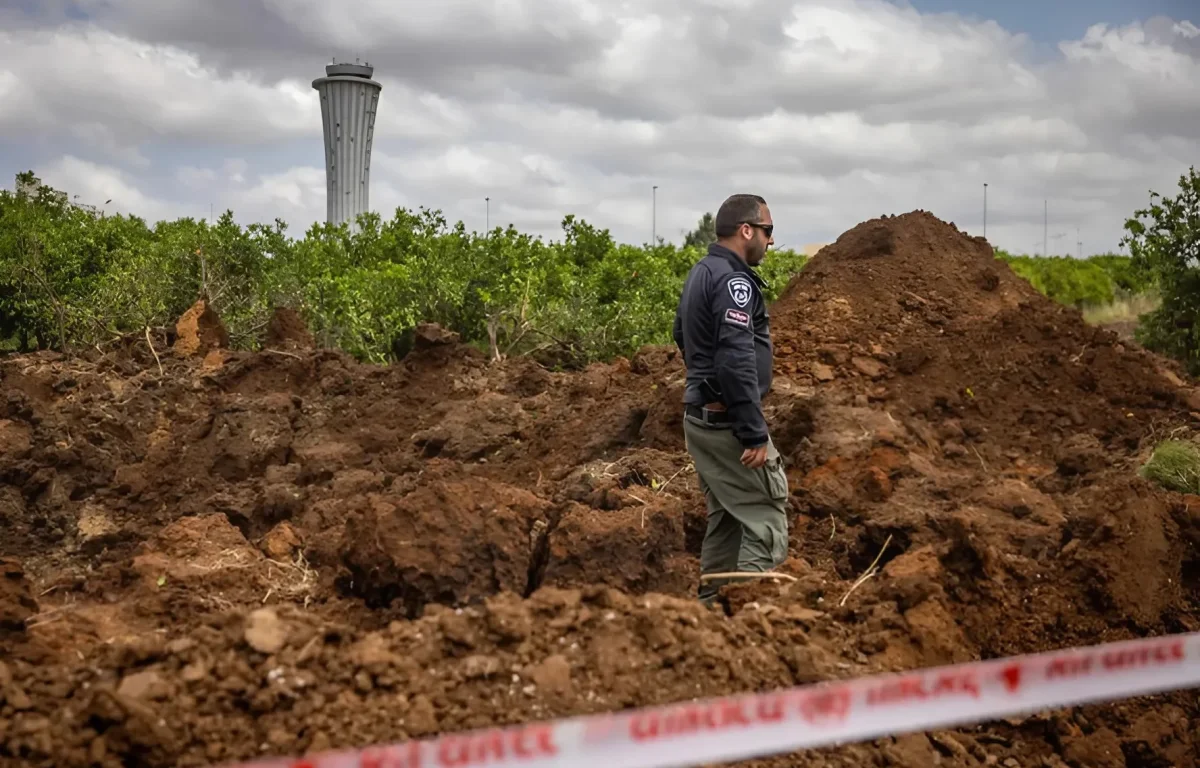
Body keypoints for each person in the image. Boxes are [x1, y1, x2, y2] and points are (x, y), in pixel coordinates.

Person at [672, 193, 789, 606]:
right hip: (726, 425)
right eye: (768, 231)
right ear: (746, 230)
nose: (770, 242)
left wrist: (703, 384)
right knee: (765, 518)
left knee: (727, 517)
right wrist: (752, 430)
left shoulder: (701, 272)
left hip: (700, 418)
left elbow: (681, 335)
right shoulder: (734, 282)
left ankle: (710, 616)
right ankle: (754, 621)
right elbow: (736, 358)